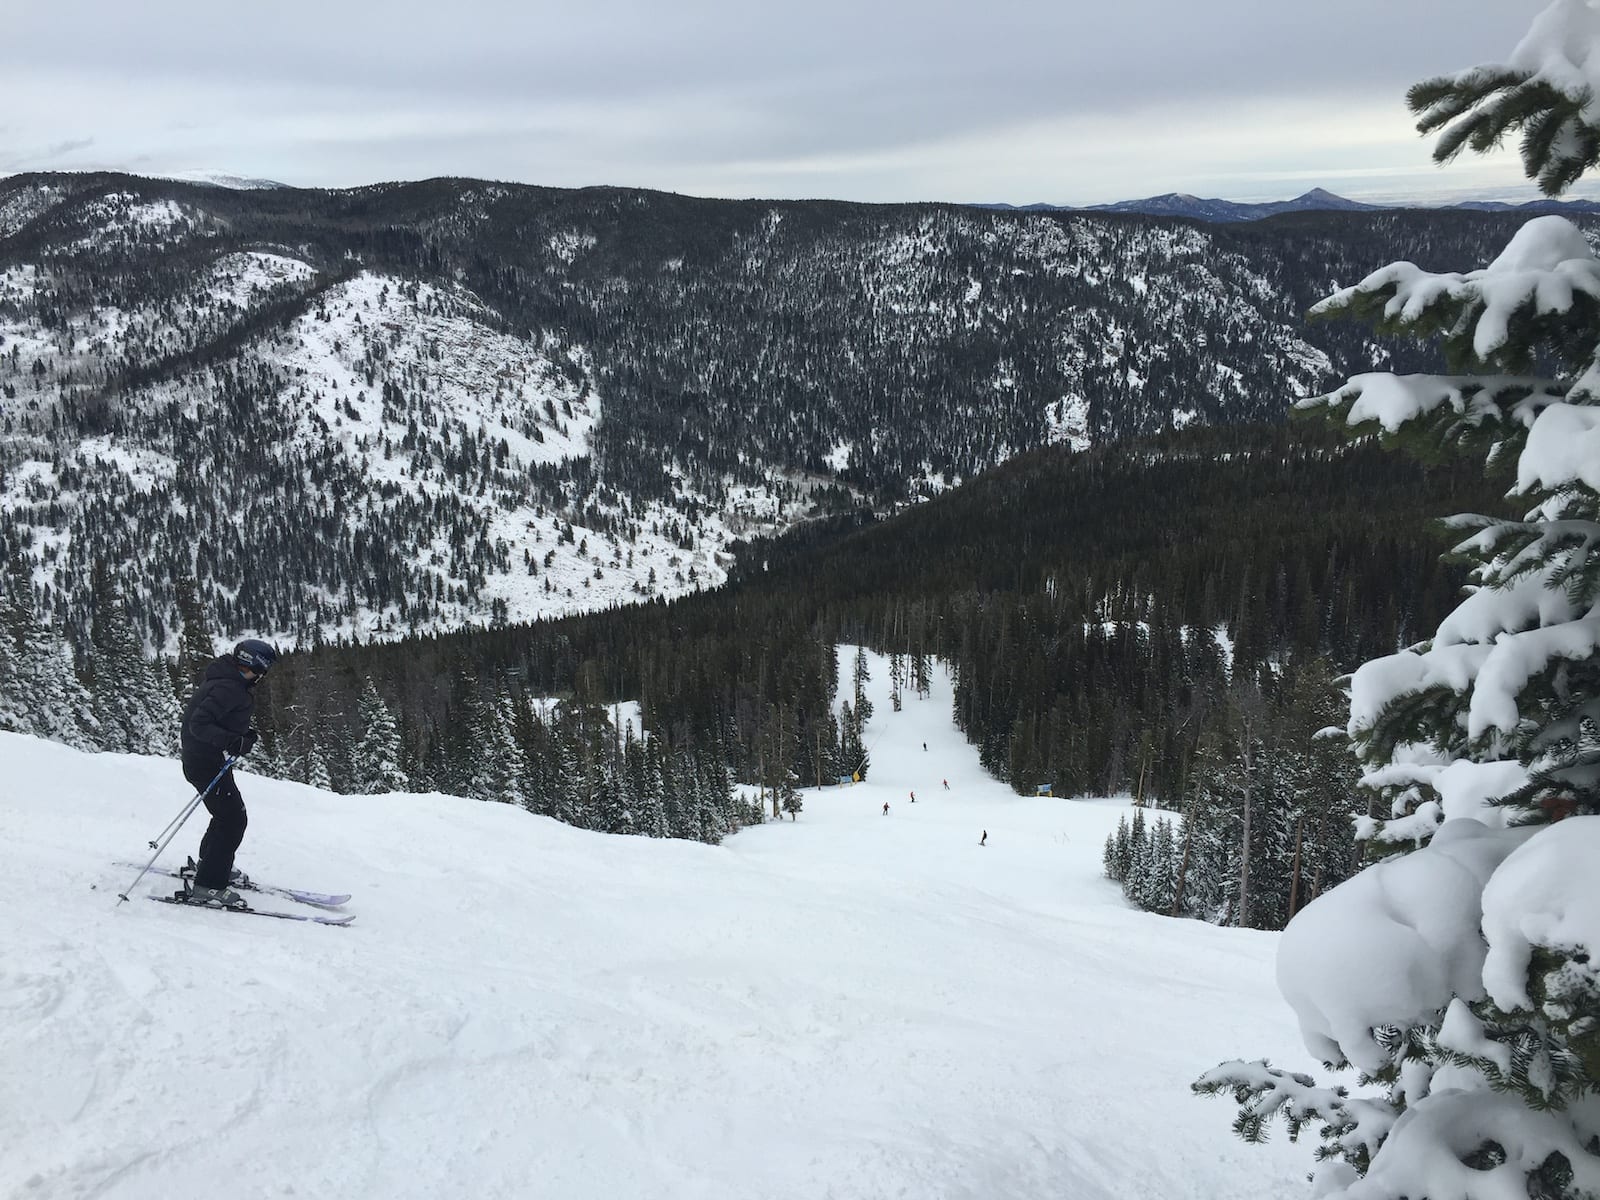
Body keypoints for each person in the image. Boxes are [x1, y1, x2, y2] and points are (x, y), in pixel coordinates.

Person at [179, 638, 278, 907]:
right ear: (252, 665)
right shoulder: (228, 687)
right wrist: (231, 741)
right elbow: (199, 724)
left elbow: (213, 720)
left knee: (226, 815)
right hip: (204, 762)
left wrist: (240, 736)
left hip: (205, 759)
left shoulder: (227, 682)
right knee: (233, 819)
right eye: (263, 670)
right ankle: (209, 884)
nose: (262, 677)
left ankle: (209, 865)